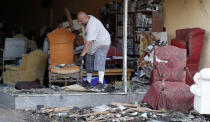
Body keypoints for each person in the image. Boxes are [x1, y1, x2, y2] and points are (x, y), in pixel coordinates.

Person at [77, 11, 111, 88]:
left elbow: (88, 42)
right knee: (89, 59)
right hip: (93, 43)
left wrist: (82, 56)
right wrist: (77, 31)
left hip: (103, 42)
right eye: (79, 21)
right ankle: (88, 81)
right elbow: (85, 32)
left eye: (81, 21)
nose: (80, 23)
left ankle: (100, 82)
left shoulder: (92, 24)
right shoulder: (86, 19)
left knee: (100, 59)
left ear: (85, 18)